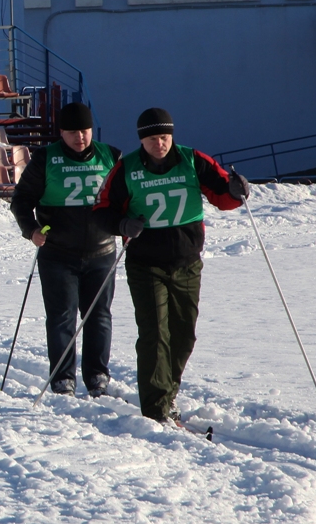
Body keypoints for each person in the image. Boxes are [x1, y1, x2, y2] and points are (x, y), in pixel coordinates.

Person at [93, 108, 249, 423]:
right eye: (153, 139)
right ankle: (156, 410)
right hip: (145, 264)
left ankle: (168, 395)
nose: (160, 144)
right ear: (142, 140)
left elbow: (224, 196)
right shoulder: (127, 169)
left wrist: (237, 190)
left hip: (187, 263)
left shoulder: (193, 161)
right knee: (154, 334)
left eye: (164, 137)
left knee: (183, 335)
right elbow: (101, 210)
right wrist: (123, 225)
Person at [10, 103, 122, 397]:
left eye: (84, 131)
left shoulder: (111, 156)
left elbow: (128, 197)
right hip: (57, 253)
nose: (80, 137)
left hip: (102, 252)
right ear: (61, 132)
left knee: (99, 315)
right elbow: (21, 200)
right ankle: (62, 376)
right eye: (72, 132)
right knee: (62, 316)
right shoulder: (45, 158)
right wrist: (31, 230)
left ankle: (97, 375)